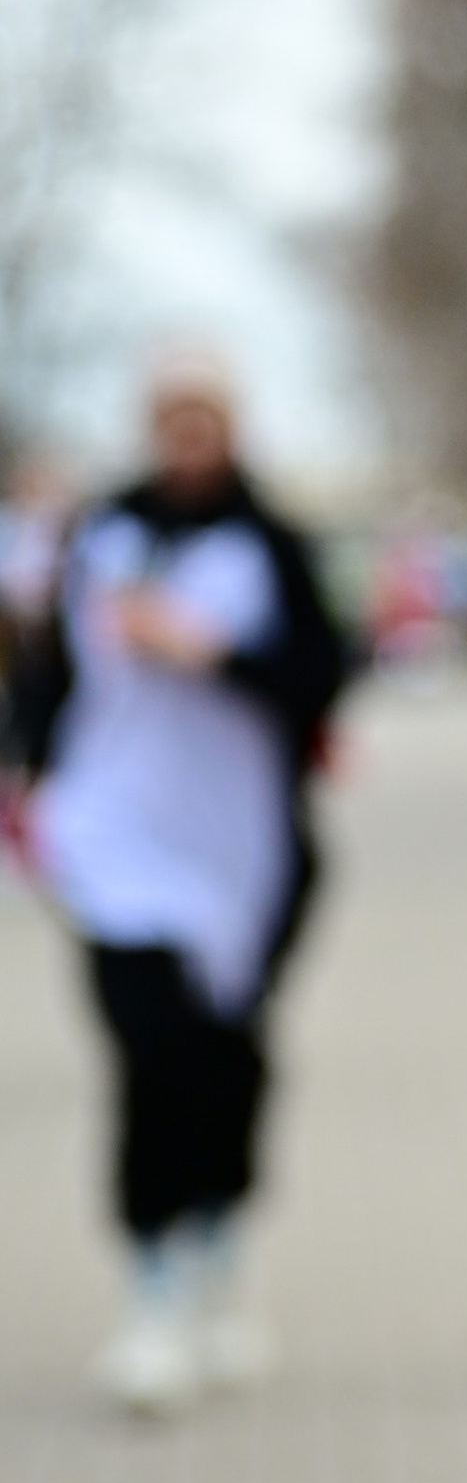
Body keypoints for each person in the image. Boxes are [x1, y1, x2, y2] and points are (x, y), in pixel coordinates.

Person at [7, 355, 351, 1411]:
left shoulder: (273, 544)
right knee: (147, 1051)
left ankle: (219, 1246)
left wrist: (210, 651)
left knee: (226, 1057)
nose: (186, 438)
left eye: (205, 419)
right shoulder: (100, 536)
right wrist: (28, 774)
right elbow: (47, 679)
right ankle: (149, 1291)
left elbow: (323, 677)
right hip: (113, 841)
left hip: (241, 852)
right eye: (170, 420)